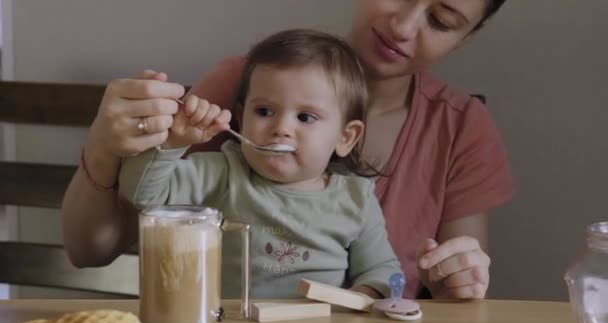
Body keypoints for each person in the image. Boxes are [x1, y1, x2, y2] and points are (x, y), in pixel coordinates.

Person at [62, 0, 513, 299]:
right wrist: (131, 144)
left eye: (442, 21)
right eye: (262, 110)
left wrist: (455, 280)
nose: (403, 25)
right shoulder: (231, 146)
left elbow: (418, 280)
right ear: (240, 111)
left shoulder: (454, 131)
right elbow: (115, 229)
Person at [118, 29, 401, 299]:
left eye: (305, 117)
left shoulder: (356, 199)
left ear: (345, 137)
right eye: (264, 111)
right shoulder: (223, 172)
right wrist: (171, 144)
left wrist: (363, 297)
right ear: (242, 118)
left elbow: (383, 272)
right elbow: (143, 194)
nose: (281, 128)